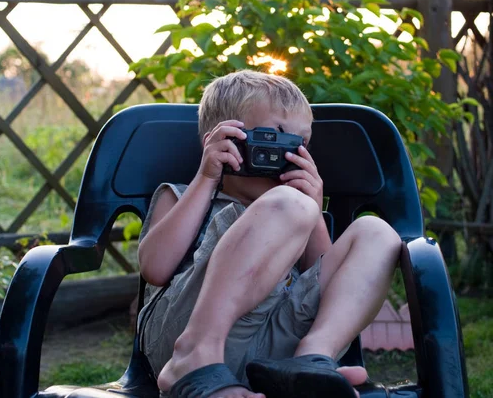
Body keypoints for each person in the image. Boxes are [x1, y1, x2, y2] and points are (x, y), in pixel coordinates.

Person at [136, 70, 401, 398]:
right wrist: (206, 178)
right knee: (287, 205)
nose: (288, 154)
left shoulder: (297, 207)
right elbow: (155, 268)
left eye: (300, 143)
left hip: (274, 349)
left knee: (377, 232)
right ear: (222, 139)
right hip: (182, 338)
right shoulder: (183, 195)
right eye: (274, 137)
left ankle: (310, 361)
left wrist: (313, 211)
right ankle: (196, 354)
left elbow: (319, 279)